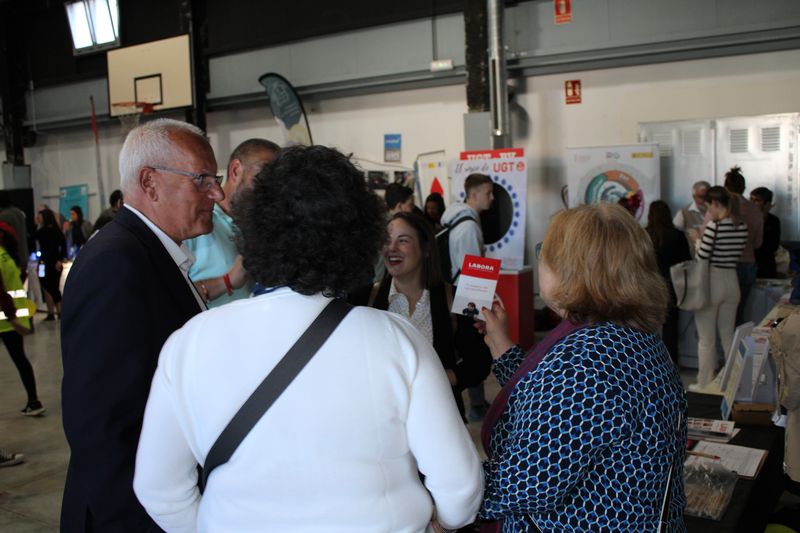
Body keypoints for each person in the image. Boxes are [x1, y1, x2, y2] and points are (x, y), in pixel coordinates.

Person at [134, 145, 483, 533]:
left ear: (254, 228)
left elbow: (158, 488)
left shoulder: (190, 342)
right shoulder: (396, 339)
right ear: (358, 236)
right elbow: (460, 486)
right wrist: (443, 522)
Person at [480, 203, 686, 532]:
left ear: (572, 271)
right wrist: (502, 347)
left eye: (544, 251)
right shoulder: (631, 338)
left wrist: (445, 494)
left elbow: (527, 481)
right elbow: (554, 404)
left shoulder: (583, 364)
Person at [60, 118, 223, 532]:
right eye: (202, 179)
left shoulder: (147, 252)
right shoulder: (117, 263)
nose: (217, 194)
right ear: (149, 182)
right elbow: (102, 425)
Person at [370, 211, 464, 414]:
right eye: (387, 241)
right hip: (383, 420)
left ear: (426, 248)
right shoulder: (365, 299)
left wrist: (443, 377)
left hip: (439, 417)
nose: (391, 249)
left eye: (402, 240)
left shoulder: (452, 297)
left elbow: (478, 361)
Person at [187, 138, 279, 308]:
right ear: (236, 170)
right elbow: (165, 297)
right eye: (265, 174)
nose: (271, 186)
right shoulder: (193, 224)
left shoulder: (265, 228)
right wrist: (227, 281)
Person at [440, 173, 495, 421]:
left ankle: (477, 403)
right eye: (488, 192)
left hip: (455, 294)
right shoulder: (469, 226)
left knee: (468, 352)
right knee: (477, 357)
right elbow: (475, 272)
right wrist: (481, 310)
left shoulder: (454, 220)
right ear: (474, 195)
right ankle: (474, 407)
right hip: (468, 298)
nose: (491, 198)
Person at [692, 186, 748, 389]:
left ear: (715, 204)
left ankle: (704, 382)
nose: (709, 212)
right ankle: (735, 381)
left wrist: (697, 241)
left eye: (709, 207)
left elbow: (702, 257)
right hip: (732, 281)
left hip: (712, 283)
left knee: (706, 339)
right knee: (728, 335)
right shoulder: (741, 226)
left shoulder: (714, 227)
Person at [0, 223, 44, 417]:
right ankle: (34, 401)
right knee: (21, 359)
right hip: (13, 318)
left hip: (7, 319)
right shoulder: (7, 256)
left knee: (20, 359)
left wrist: (11, 317)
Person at [646, 200, 691, 364]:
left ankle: (650, 362)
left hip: (649, 285)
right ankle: (671, 363)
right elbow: (687, 260)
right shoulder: (677, 235)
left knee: (648, 326)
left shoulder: (645, 235)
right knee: (671, 327)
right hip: (673, 285)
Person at [722, 166, 762, 324]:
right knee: (740, 313)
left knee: (724, 317)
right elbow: (758, 243)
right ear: (744, 188)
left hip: (725, 267)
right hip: (748, 265)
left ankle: (726, 349)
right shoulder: (755, 210)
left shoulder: (720, 209)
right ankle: (739, 346)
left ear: (725, 187)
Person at [34, 208, 67, 321]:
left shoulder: (43, 232)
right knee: (50, 286)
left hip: (46, 263)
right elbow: (63, 247)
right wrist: (60, 259)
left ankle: (53, 311)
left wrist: (59, 260)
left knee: (49, 287)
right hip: (50, 263)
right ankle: (56, 311)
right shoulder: (55, 231)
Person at [750, 186, 781, 279]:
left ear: (767, 203)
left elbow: (773, 246)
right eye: (751, 199)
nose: (752, 203)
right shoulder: (747, 219)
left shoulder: (774, 221)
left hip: (766, 265)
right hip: (749, 263)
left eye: (756, 200)